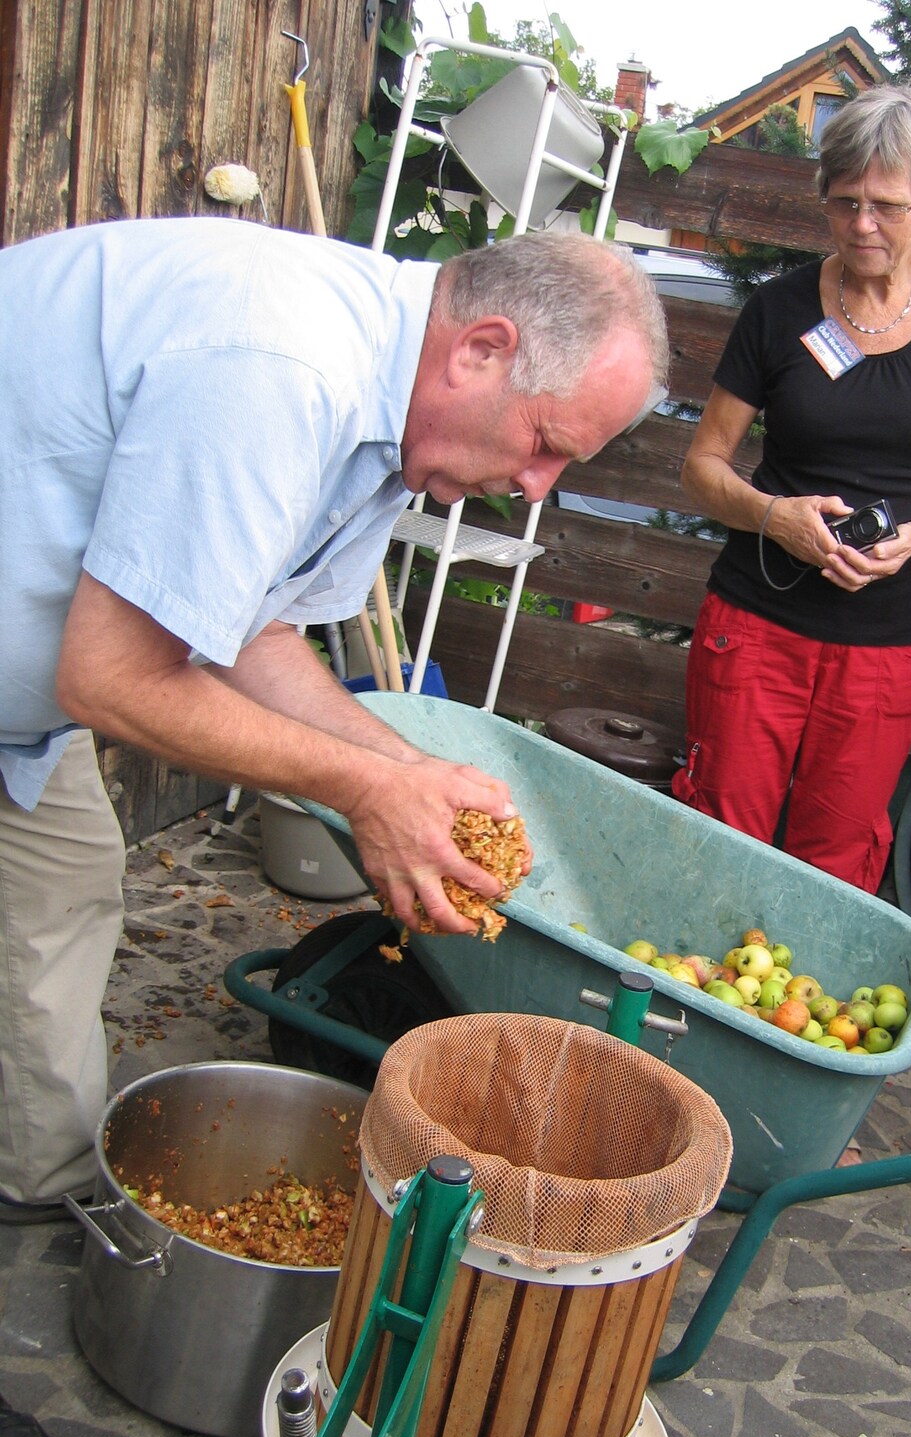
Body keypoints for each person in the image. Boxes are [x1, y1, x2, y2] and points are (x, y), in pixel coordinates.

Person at [0, 218, 668, 1222]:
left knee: (59, 897)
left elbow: (250, 632)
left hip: (24, 724)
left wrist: (404, 769)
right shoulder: (282, 370)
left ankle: (40, 1203)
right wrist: (364, 788)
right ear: (481, 350)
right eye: (544, 445)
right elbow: (113, 678)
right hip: (67, 684)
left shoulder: (391, 439)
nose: (537, 489)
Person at [672, 82, 911, 897]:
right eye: (844, 203)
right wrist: (773, 515)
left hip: (884, 645)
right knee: (720, 838)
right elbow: (702, 467)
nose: (863, 225)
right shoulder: (780, 308)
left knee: (837, 865)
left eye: (887, 206)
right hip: (755, 626)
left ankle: (791, 1028)